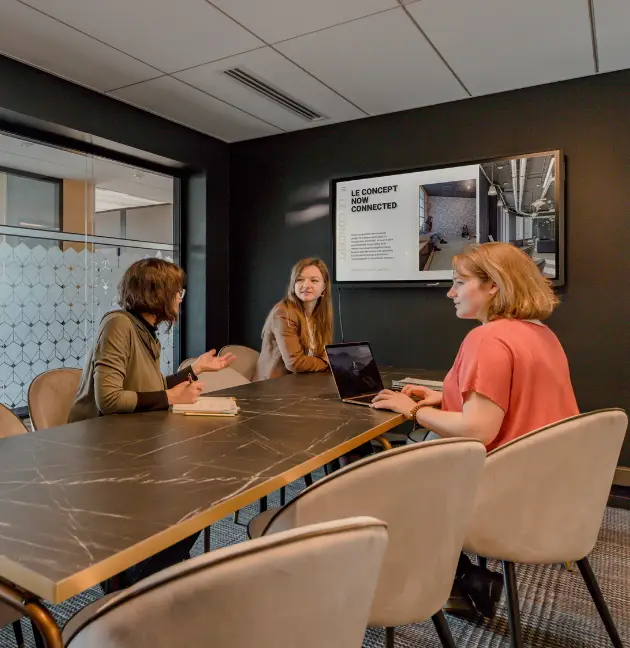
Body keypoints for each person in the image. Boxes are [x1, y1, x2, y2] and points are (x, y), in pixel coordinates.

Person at [371, 242, 578, 619]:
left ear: (493, 286)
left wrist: (412, 409)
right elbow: (516, 404)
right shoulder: (540, 334)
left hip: (500, 497)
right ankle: (461, 580)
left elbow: (477, 430)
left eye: (459, 282)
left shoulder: (487, 338)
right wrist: (441, 397)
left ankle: (457, 581)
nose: (451, 293)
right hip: (551, 491)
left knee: (385, 485)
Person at [68, 258, 235, 593]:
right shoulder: (118, 325)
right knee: (186, 501)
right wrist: (173, 398)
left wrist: (196, 369)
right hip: (102, 449)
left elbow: (152, 389)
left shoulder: (145, 332)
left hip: (132, 441)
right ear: (158, 292)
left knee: (198, 500)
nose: (180, 298)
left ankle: (148, 575)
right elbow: (110, 400)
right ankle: (132, 580)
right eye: (177, 291)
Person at [253, 257, 333, 381]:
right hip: (272, 387)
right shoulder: (283, 312)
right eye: (300, 280)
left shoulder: (320, 314)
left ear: (324, 287)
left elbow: (322, 352)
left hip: (301, 383)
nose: (306, 285)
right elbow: (295, 363)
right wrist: (327, 362)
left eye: (314, 280)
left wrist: (327, 359)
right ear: (293, 284)